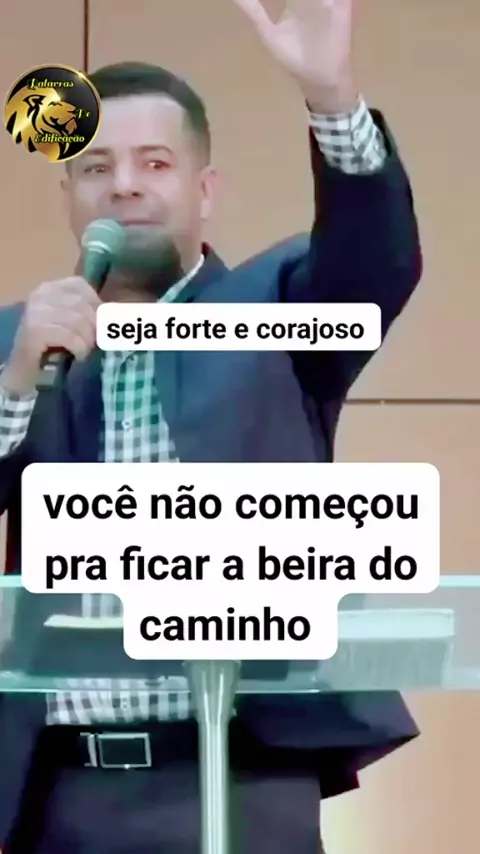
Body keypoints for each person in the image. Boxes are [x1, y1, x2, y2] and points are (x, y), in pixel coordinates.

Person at [0, 0, 422, 851]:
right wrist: (15, 383)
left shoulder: (279, 307)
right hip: (65, 794)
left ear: (204, 191)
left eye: (154, 163)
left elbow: (374, 256)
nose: (124, 185)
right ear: (69, 196)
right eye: (95, 167)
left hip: (243, 777)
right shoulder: (21, 340)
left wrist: (332, 98)